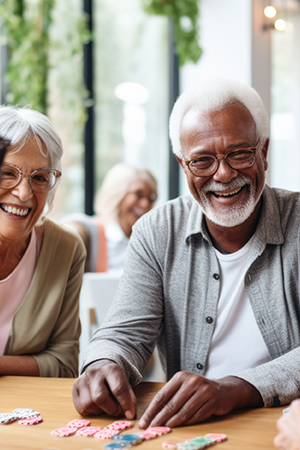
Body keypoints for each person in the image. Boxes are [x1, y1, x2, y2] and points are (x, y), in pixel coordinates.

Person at [72, 78, 300, 427]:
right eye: (202, 161)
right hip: (192, 425)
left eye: (239, 153)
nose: (223, 174)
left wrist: (235, 388)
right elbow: (125, 331)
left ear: (263, 153)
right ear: (183, 165)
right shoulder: (156, 231)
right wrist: (104, 363)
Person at [0, 105, 86, 377]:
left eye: (39, 178)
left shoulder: (66, 249)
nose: (24, 193)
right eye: (7, 173)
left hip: (30, 412)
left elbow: (64, 364)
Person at [63, 163, 157, 273]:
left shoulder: (148, 243)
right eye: (138, 194)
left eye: (151, 198)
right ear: (117, 194)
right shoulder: (88, 232)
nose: (146, 204)